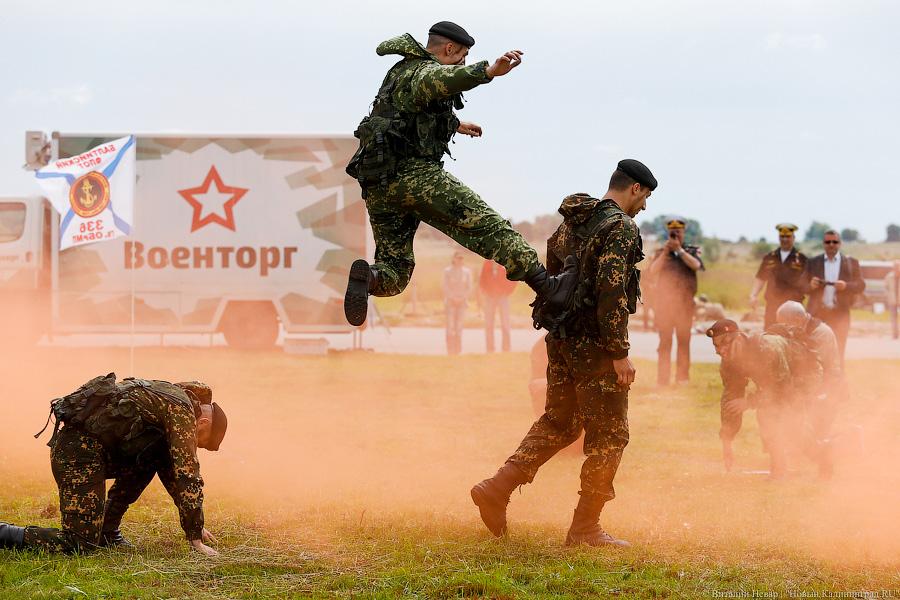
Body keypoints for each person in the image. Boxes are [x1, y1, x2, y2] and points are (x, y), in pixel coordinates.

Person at [470, 159, 656, 548]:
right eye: (646, 197)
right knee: (610, 435)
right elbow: (611, 291)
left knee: (561, 421)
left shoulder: (570, 222)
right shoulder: (620, 227)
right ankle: (585, 528)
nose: (644, 207)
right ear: (634, 188)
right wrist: (618, 351)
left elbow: (550, 279)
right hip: (596, 345)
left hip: (561, 340)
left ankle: (497, 488)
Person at [343, 21, 576, 327]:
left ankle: (369, 278)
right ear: (449, 48)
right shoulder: (423, 71)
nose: (463, 61)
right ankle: (549, 287)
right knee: (488, 226)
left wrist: (455, 125)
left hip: (379, 185)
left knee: (395, 270)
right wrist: (488, 72)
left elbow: (404, 116)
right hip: (414, 177)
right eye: (462, 55)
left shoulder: (398, 74)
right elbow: (444, 79)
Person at [0, 375, 227, 555]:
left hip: (96, 452)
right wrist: (195, 538)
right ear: (203, 423)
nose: (194, 444)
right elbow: (187, 472)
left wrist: (193, 526)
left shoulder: (175, 399)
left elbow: (171, 470)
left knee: (154, 453)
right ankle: (5, 533)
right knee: (80, 543)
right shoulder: (182, 410)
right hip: (78, 455)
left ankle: (107, 530)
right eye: (200, 440)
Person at [776, 301, 844, 455]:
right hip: (810, 384)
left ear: (798, 320)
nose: (783, 329)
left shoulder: (821, 333)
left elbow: (814, 368)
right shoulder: (800, 329)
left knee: (817, 432)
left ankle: (846, 442)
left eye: (785, 324)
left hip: (827, 386)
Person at [645, 217, 703, 385]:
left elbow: (696, 265)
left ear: (684, 233)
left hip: (685, 306)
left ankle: (682, 378)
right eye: (673, 232)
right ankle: (662, 380)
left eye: (679, 232)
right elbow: (653, 271)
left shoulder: (691, 251)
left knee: (684, 342)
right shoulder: (660, 252)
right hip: (665, 306)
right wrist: (665, 252)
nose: (676, 234)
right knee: (665, 343)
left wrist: (679, 250)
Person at [806, 230, 865, 364]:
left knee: (839, 352)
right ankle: (818, 383)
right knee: (815, 353)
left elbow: (861, 285)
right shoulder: (813, 262)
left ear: (840, 243)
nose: (831, 244)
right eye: (828, 242)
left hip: (840, 315)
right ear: (823, 244)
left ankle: (838, 384)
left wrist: (846, 286)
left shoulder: (851, 262)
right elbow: (802, 286)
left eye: (835, 242)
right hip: (817, 315)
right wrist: (811, 285)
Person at [749, 223, 809, 328]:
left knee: (793, 340)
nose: (785, 239)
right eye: (782, 236)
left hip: (794, 308)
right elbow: (760, 278)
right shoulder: (770, 257)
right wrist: (753, 295)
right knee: (770, 337)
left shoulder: (802, 259)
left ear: (793, 238)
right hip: (773, 306)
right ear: (779, 237)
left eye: (788, 236)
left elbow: (808, 282)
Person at [479, 259, 516, 352]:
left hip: (503, 297)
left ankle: (506, 348)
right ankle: (490, 349)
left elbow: (513, 278)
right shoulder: (487, 263)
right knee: (489, 324)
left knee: (505, 323)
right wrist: (487, 292)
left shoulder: (506, 262)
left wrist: (507, 292)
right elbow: (482, 279)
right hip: (490, 297)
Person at [442, 250, 473, 354]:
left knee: (459, 325)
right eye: (458, 258)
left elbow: (469, 287)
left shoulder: (467, 272)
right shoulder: (447, 271)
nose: (460, 260)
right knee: (450, 326)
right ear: (454, 259)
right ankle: (450, 349)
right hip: (450, 302)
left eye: (461, 258)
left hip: (462, 302)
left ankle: (458, 350)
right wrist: (452, 297)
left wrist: (462, 297)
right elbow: (445, 286)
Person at [886, 260, 900, 340]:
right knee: (893, 318)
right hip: (892, 300)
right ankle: (895, 334)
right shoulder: (889, 276)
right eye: (895, 266)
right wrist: (888, 296)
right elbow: (886, 287)